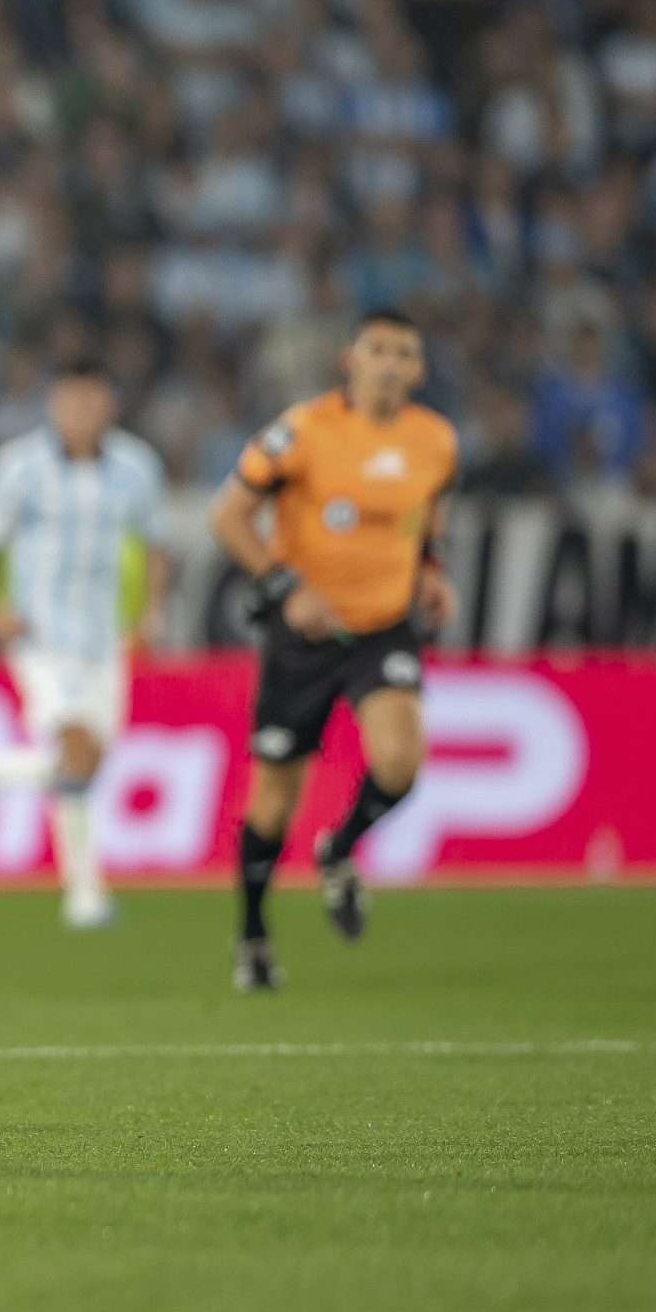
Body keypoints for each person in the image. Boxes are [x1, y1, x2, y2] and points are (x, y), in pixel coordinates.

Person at [208, 310, 458, 992]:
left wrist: (431, 569)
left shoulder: (435, 440)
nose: (389, 364)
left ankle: (339, 850)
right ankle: (253, 934)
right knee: (272, 802)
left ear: (418, 370)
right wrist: (285, 587)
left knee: (400, 761)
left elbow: (429, 511)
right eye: (377, 349)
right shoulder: (304, 431)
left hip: (383, 625)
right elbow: (227, 515)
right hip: (306, 634)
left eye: (403, 353)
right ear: (351, 359)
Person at [0, 362, 170, 928]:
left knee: (88, 762)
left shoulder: (136, 467)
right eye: (73, 401)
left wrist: (151, 612)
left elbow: (155, 545)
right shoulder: (20, 466)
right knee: (75, 750)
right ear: (54, 404)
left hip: (103, 638)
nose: (82, 412)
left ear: (110, 404)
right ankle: (85, 894)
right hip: (41, 637)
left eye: (93, 400)